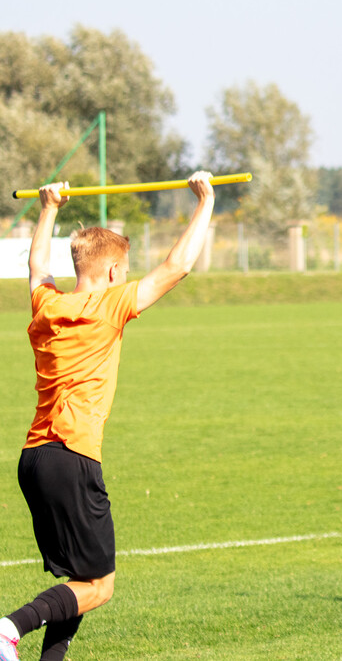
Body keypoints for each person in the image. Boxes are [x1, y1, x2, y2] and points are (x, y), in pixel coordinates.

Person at [1, 172, 215, 661]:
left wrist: (48, 206)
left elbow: (35, 266)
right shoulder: (112, 304)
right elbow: (178, 265)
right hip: (74, 457)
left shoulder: (46, 304)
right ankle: (9, 628)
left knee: (78, 584)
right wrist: (205, 200)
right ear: (116, 271)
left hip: (34, 458)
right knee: (99, 585)